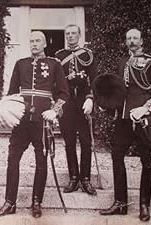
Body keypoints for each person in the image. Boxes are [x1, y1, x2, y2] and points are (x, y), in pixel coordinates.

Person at [0, 31, 69, 218]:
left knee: (41, 161)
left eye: (38, 41)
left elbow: (64, 94)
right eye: (32, 41)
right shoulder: (21, 64)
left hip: (42, 120)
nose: (34, 44)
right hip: (21, 119)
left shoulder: (55, 64)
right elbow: (11, 93)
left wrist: (55, 110)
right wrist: (5, 109)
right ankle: (9, 202)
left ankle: (37, 202)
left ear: (44, 44)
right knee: (13, 159)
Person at [99, 28, 151, 222]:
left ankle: (145, 204)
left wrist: (144, 108)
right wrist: (108, 105)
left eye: (135, 38)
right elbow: (121, 91)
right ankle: (120, 203)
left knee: (146, 160)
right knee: (117, 156)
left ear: (141, 40)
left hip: (143, 118)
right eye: (128, 38)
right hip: (123, 118)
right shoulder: (122, 62)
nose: (131, 41)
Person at [55, 24, 98, 195]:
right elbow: (55, 82)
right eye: (68, 33)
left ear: (79, 35)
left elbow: (95, 80)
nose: (71, 36)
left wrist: (90, 99)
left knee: (86, 141)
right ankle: (73, 178)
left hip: (83, 100)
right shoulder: (59, 56)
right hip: (67, 102)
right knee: (69, 141)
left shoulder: (88, 55)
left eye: (74, 33)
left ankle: (85, 179)